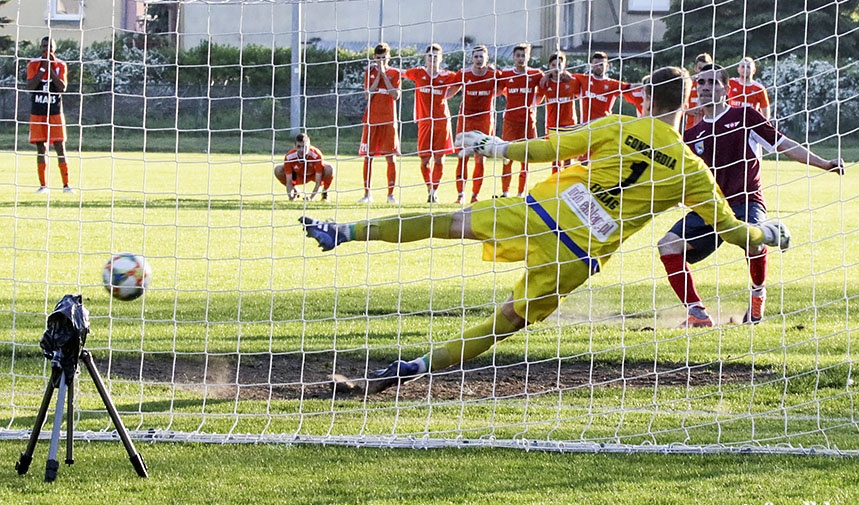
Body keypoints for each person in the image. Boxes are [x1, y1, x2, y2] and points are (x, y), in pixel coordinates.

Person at [300, 66, 792, 394]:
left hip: (546, 210)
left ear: (643, 96)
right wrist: (767, 234)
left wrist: (494, 148)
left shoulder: (619, 125)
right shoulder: (692, 169)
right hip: (579, 254)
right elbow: (729, 229)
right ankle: (415, 369)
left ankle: (344, 231)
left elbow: (548, 149)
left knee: (447, 222)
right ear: (690, 101)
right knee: (508, 319)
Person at [657, 64, 844, 327]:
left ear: (726, 88)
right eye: (701, 83)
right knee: (668, 245)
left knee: (754, 241)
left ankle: (758, 295)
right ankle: (697, 314)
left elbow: (785, 145)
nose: (706, 87)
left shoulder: (745, 115)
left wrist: (823, 163)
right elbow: (682, 177)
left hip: (746, 201)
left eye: (713, 82)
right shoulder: (691, 134)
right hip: (710, 208)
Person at [403, 43, 458, 203]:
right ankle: (429, 188)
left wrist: (448, 94)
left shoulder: (447, 75)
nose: (433, 59)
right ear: (425, 58)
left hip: (442, 122)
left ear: (441, 59)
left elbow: (461, 81)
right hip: (425, 122)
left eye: (436, 56)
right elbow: (400, 73)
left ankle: (434, 191)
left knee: (440, 159)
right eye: (430, 56)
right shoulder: (418, 73)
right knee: (425, 160)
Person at [449, 45, 498, 204]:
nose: (478, 59)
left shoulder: (494, 74)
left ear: (487, 59)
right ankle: (460, 195)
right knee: (462, 156)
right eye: (476, 56)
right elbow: (449, 92)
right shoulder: (464, 74)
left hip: (484, 120)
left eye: (481, 57)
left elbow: (506, 87)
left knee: (480, 157)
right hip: (466, 119)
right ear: (471, 59)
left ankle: (475, 195)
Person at [496, 43, 543, 197]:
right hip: (510, 121)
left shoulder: (536, 74)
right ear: (513, 57)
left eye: (523, 55)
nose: (521, 58)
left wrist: (532, 104)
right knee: (507, 157)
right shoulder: (506, 74)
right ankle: (505, 192)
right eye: (518, 56)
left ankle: (521, 192)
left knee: (525, 158)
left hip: (528, 122)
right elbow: (499, 89)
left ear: (528, 57)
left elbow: (542, 91)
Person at [26, 36, 71, 193]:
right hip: (38, 112)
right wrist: (43, 68)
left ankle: (66, 185)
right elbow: (30, 86)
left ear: (54, 48)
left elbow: (62, 87)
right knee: (41, 148)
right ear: (40, 48)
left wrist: (50, 69)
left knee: (60, 147)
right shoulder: (33, 64)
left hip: (55, 111)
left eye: (50, 47)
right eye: (44, 47)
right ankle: (43, 185)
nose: (47, 50)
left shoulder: (61, 65)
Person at [359, 42, 402, 204]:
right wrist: (378, 75)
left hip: (389, 120)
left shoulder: (395, 73)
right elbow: (368, 94)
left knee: (390, 157)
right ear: (374, 58)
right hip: (372, 120)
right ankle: (367, 194)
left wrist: (385, 74)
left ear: (389, 57)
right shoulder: (369, 72)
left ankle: (391, 195)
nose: (382, 61)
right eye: (379, 58)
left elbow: (395, 95)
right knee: (368, 157)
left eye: (384, 58)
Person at [534, 51, 582, 173]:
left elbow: (582, 95)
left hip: (569, 123)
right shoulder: (545, 83)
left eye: (559, 65)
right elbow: (537, 100)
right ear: (549, 66)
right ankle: (555, 183)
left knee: (568, 157)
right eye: (553, 65)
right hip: (552, 124)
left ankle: (566, 182)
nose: (556, 68)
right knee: (555, 157)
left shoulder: (572, 81)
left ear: (564, 66)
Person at [572, 51, 643, 122]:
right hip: (585, 125)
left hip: (604, 125)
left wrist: (647, 84)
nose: (598, 67)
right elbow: (567, 77)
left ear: (607, 66)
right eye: (596, 64)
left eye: (601, 65)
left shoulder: (612, 84)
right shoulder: (582, 79)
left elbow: (631, 86)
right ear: (591, 65)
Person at [274, 133, 334, 201]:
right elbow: (289, 181)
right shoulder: (289, 157)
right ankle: (295, 191)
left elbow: (318, 181)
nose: (302, 150)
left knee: (330, 169)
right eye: (299, 146)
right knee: (278, 169)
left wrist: (311, 198)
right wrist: (290, 197)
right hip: (298, 176)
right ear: (295, 146)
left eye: (304, 147)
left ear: (309, 146)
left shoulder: (316, 155)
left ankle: (325, 192)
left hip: (313, 175)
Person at [684, 52, 712, 131]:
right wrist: (687, 111)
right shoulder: (689, 84)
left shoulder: (715, 85)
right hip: (690, 127)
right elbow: (679, 106)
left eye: (706, 68)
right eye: (700, 68)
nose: (702, 71)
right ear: (695, 68)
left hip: (709, 125)